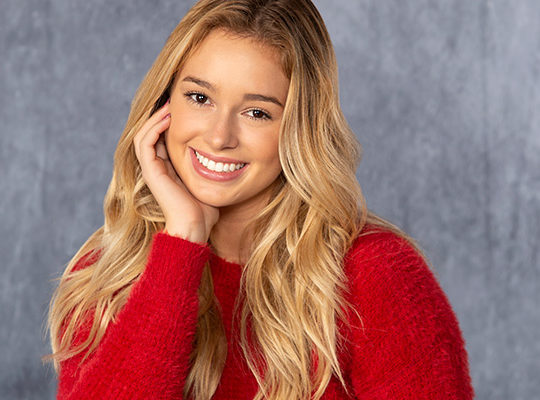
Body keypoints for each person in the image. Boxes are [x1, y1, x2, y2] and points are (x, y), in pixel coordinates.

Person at [42, 0, 475, 399]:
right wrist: (182, 246)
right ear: (163, 105)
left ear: (300, 131)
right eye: (199, 97)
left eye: (257, 112)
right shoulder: (109, 274)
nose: (219, 137)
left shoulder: (375, 274)